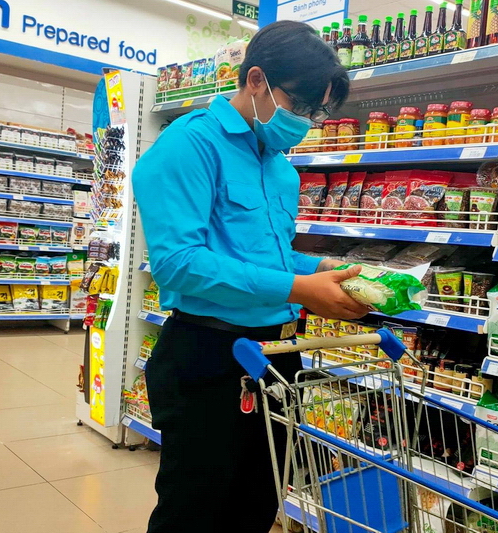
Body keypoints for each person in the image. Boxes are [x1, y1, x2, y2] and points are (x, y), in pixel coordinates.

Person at [132, 20, 368, 533]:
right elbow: (178, 262)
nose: (306, 121)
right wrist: (298, 288)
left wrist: (318, 269)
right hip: (209, 357)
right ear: (256, 80)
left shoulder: (280, 167)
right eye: (300, 104)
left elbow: (267, 256)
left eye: (318, 113)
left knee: (257, 505)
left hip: (279, 356)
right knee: (194, 514)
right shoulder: (188, 145)